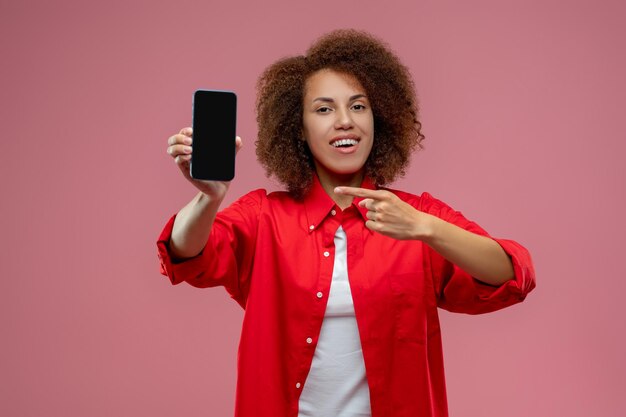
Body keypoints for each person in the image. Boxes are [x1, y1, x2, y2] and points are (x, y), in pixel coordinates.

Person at [157, 29, 535, 417]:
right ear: (298, 129)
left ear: (379, 117)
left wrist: (426, 228)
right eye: (324, 109)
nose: (344, 122)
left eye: (358, 106)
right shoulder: (263, 218)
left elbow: (512, 273)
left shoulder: (415, 215)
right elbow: (187, 253)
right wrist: (210, 197)